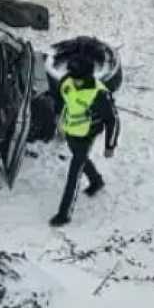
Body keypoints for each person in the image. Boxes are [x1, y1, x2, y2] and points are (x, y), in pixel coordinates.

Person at [50, 55, 120, 227]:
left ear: (88, 77)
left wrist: (110, 146)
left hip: (87, 135)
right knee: (78, 158)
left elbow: (113, 120)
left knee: (74, 173)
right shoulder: (68, 81)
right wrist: (59, 121)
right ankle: (96, 180)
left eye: (78, 80)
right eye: (73, 78)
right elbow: (61, 100)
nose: (74, 82)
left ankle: (64, 214)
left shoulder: (99, 94)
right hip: (71, 131)